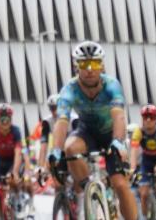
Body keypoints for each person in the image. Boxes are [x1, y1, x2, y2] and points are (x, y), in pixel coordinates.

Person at [47, 41, 138, 220]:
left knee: (120, 184)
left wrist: (118, 141)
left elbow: (119, 116)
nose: (89, 69)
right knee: (70, 147)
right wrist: (56, 151)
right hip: (86, 132)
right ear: (76, 67)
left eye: (94, 64)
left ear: (102, 65)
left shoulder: (112, 85)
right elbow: (62, 121)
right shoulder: (69, 89)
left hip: (111, 134)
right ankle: (89, 191)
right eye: (84, 64)